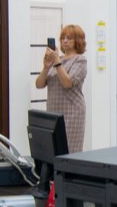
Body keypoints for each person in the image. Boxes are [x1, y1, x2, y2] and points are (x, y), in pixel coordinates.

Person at [35, 23, 87, 151]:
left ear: (78, 41)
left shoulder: (80, 60)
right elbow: (39, 84)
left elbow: (67, 83)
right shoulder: (57, 60)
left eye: (69, 38)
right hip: (53, 111)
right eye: (63, 38)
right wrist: (46, 67)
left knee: (69, 150)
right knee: (53, 150)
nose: (64, 41)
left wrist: (57, 62)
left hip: (72, 112)